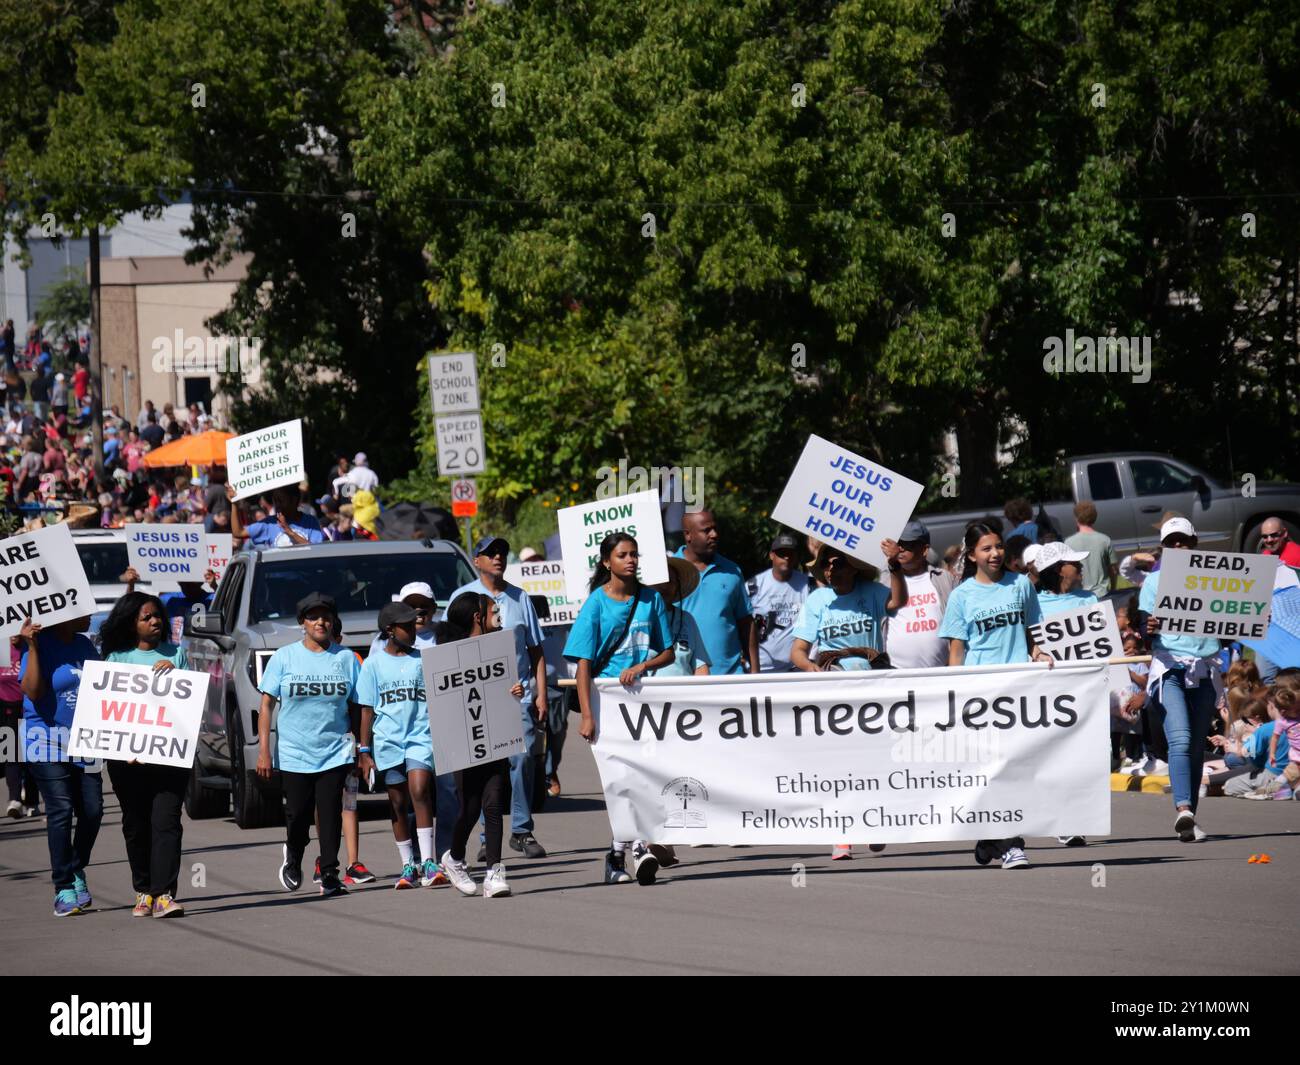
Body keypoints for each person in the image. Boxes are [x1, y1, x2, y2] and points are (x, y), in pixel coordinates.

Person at [938, 522, 1054, 870]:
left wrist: (1039, 654)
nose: (995, 554)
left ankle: (991, 840)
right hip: (979, 695)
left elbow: (1032, 632)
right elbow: (956, 652)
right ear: (971, 555)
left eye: (999, 547)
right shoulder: (961, 596)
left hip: (1019, 693)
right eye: (986, 549)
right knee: (993, 770)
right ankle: (1011, 844)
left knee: (1014, 768)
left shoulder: (1021, 585)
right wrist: (954, 698)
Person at [564, 532, 675, 885]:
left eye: (634, 554)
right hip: (606, 700)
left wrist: (642, 667)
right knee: (618, 779)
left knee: (642, 772)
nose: (631, 560)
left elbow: (668, 651)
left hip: (642, 699)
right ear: (606, 561)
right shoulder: (596, 604)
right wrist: (587, 714)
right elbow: (582, 662)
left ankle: (633, 848)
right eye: (623, 555)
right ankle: (619, 854)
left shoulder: (651, 599)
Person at [791, 539, 906, 860]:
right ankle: (842, 834)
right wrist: (810, 667)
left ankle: (875, 821)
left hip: (872, 688)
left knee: (873, 759)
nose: (830, 568)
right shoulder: (817, 600)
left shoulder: (871, 591)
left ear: (853, 567)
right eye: (825, 563)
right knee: (839, 762)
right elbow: (797, 651)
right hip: (833, 693)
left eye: (837, 562)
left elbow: (899, 600)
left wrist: (894, 565)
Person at [449, 537, 548, 860]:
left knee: (521, 760)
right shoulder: (461, 599)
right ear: (476, 560)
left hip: (517, 696)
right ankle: (484, 836)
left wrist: (541, 695)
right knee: (482, 768)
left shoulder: (520, 598)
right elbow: (450, 652)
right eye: (490, 553)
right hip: (476, 699)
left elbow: (536, 651)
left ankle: (521, 829)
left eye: (502, 553)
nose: (498, 557)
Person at [258, 592, 360, 898]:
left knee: (329, 813)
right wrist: (264, 751)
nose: (320, 622)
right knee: (299, 815)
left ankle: (329, 872)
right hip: (293, 752)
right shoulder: (284, 657)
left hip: (335, 750)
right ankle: (293, 857)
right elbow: (266, 706)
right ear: (303, 622)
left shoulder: (345, 658)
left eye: (326, 616)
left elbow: (357, 705)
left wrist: (360, 747)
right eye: (313, 617)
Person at [99, 593, 191, 918]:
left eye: (157, 616)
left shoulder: (177, 654)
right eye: (146, 617)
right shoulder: (116, 659)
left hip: (169, 758)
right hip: (127, 762)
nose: (155, 622)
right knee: (136, 825)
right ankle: (143, 889)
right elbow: (107, 711)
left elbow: (187, 708)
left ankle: (164, 894)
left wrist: (176, 675)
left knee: (166, 822)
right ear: (132, 624)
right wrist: (124, 748)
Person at [1136, 518, 1224, 841]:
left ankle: (1191, 820)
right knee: (1182, 738)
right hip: (1170, 668)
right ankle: (1183, 808)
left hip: (1204, 668)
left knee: (1197, 746)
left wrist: (1253, 617)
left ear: (1194, 543)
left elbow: (1231, 622)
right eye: (1170, 542)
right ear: (1163, 547)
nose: (1177, 547)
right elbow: (1145, 627)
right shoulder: (1153, 582)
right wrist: (1149, 627)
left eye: (1182, 541)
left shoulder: (1215, 579)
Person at [439, 594, 528, 898]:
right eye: (493, 610)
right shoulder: (449, 654)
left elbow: (500, 691)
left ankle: (494, 872)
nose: (498, 615)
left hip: (495, 737)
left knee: (493, 804)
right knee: (470, 807)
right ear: (478, 616)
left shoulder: (498, 649)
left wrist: (513, 691)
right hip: (464, 741)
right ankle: (453, 857)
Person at [19, 615, 104, 916]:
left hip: (85, 740)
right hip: (44, 740)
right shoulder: (38, 646)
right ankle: (63, 887)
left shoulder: (84, 644)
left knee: (93, 810)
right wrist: (32, 647)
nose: (90, 615)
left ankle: (76, 867)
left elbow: (104, 687)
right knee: (61, 809)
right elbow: (31, 692)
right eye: (83, 609)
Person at [356, 602, 444, 889]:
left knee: (419, 790)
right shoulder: (373, 664)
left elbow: (440, 697)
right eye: (406, 627)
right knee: (397, 802)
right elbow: (367, 710)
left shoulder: (423, 659)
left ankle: (429, 862)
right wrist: (364, 751)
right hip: (388, 741)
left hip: (420, 737)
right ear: (390, 631)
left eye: (414, 624)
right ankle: (409, 865)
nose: (413, 630)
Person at [675, 509, 758, 674]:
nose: (714, 534)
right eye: (706, 530)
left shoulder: (732, 571)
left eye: (715, 529)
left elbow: (746, 624)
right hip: (683, 680)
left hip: (729, 678)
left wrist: (755, 674)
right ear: (687, 535)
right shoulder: (669, 571)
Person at [884, 521, 956, 670]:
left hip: (941, 672)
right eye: (898, 543)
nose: (900, 549)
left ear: (924, 550)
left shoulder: (944, 579)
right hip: (895, 675)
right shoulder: (884, 581)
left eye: (908, 544)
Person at [748, 532, 811, 673]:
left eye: (791, 553)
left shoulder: (808, 585)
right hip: (762, 667)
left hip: (796, 668)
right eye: (782, 553)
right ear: (772, 555)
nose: (786, 557)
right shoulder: (754, 585)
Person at [649, 557, 710, 677]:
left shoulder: (687, 619)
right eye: (660, 581)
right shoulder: (636, 617)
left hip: (684, 693)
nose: (665, 586)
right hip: (647, 693)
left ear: (677, 587)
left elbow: (700, 666)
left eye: (670, 581)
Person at [1247, 671, 1300, 799]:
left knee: (1288, 774)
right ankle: (1276, 789)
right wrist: (1272, 754)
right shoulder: (1281, 722)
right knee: (1288, 774)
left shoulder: (1270, 726)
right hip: (1296, 757)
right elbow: (1275, 737)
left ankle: (1275, 790)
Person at [229, 484, 325, 548]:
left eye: (281, 500)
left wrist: (289, 531)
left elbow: (316, 550)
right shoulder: (269, 523)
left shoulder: (310, 522)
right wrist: (234, 504)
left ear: (294, 500)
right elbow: (238, 532)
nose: (277, 505)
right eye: (275, 500)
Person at [1066, 502, 1118, 599]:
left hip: (1079, 595)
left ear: (1076, 518)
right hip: (1102, 593)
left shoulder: (1068, 542)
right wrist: (1113, 588)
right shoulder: (1105, 540)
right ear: (1094, 518)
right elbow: (1113, 570)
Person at [1032, 542, 1096, 615]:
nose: (1081, 565)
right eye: (1075, 563)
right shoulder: (1035, 607)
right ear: (1058, 570)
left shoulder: (1090, 598)